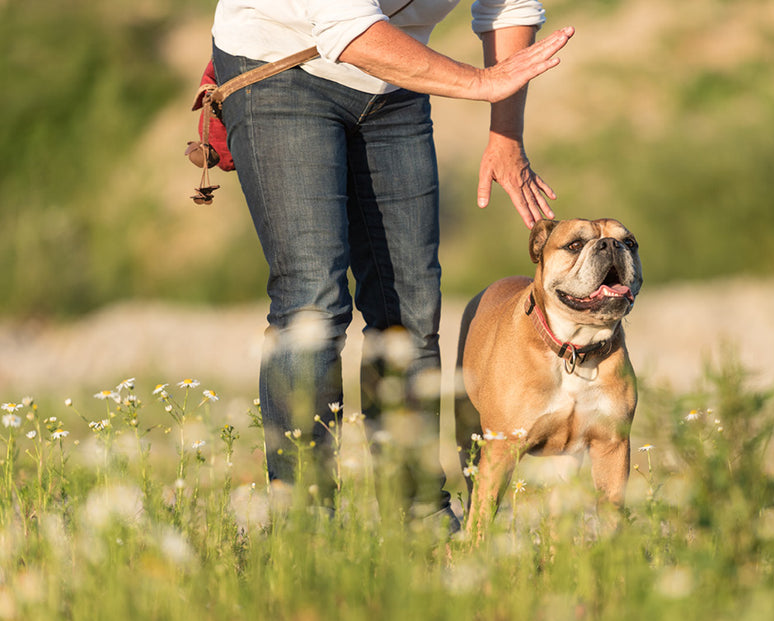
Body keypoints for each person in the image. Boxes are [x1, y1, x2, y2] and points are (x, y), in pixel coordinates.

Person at [210, 0, 572, 529]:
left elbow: (508, 5)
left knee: (411, 307)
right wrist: (479, 83)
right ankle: (304, 526)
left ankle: (418, 514)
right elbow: (347, 28)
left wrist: (505, 134)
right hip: (280, 64)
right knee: (313, 300)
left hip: (392, 83)